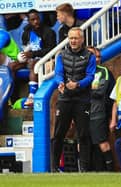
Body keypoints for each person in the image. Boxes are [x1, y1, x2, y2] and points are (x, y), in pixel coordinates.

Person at [52, 27, 96, 172]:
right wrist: (61, 83)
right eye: (71, 38)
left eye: (76, 38)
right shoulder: (61, 55)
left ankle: (84, 169)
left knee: (83, 135)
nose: (73, 41)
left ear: (82, 39)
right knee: (58, 134)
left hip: (82, 99)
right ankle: (54, 168)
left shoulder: (90, 56)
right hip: (65, 99)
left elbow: (90, 77)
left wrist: (77, 84)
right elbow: (58, 73)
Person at [87, 46, 115, 171]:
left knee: (102, 143)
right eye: (94, 56)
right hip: (82, 113)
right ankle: (84, 172)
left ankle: (111, 171)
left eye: (98, 56)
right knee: (82, 144)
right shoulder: (78, 71)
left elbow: (99, 92)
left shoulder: (103, 71)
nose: (96, 59)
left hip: (98, 113)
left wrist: (81, 89)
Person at [20, 9, 57, 106]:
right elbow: (25, 47)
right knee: (12, 65)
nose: (36, 21)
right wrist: (25, 56)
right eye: (32, 20)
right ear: (28, 21)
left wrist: (33, 54)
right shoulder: (26, 32)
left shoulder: (49, 32)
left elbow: (51, 51)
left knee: (34, 64)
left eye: (37, 18)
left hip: (45, 59)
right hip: (31, 57)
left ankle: (32, 96)